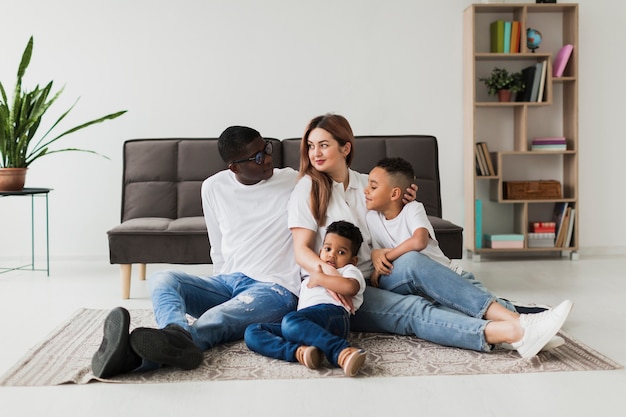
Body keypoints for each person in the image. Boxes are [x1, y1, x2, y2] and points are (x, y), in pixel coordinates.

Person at [287, 113, 573, 358]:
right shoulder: (308, 189)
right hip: (343, 288)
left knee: (412, 261)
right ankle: (514, 331)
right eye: (311, 146)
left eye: (323, 145)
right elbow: (301, 251)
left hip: (377, 271)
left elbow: (392, 219)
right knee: (415, 309)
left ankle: (518, 321)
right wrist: (327, 273)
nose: (315, 153)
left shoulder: (368, 184)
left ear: (345, 147)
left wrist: (402, 203)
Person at [91, 126, 302, 378]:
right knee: (163, 279)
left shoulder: (293, 181)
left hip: (275, 289)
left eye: (266, 149)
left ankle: (131, 359)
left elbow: (341, 182)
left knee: (215, 319)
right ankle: (175, 331)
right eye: (257, 157)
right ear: (233, 167)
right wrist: (219, 282)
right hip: (228, 282)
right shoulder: (213, 187)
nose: (268, 159)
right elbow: (218, 246)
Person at [245, 220, 367, 377]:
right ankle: (300, 352)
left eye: (341, 252)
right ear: (320, 250)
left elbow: (350, 287)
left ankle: (342, 351)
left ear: (353, 260)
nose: (332, 255)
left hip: (332, 315)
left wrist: (319, 279)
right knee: (253, 331)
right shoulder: (312, 270)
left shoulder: (348, 269)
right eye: (328, 249)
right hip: (305, 324)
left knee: (290, 321)